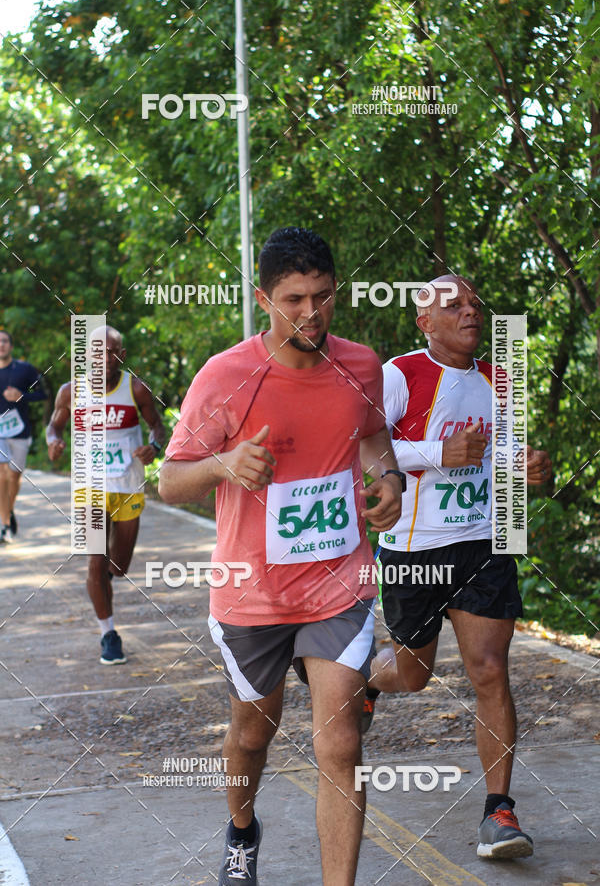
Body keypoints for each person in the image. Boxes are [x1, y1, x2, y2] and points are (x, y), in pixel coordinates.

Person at [159, 227, 404, 886]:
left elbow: (375, 440)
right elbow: (170, 480)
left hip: (338, 587)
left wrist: (390, 482)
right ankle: (242, 829)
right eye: (294, 299)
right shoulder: (226, 376)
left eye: (322, 297)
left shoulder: (360, 365)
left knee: (341, 741)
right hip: (253, 594)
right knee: (252, 733)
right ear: (263, 297)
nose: (310, 314)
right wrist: (224, 462)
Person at [363, 275, 552, 860]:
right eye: (454, 305)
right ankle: (369, 679)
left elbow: (505, 452)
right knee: (414, 675)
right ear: (426, 322)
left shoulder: (502, 378)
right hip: (413, 552)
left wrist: (529, 465)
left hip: (482, 547)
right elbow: (359, 446)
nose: (471, 310)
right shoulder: (400, 375)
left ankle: (499, 812)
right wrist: (433, 454)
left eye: (474, 301)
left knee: (490, 670)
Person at [46, 326, 165, 664]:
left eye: (110, 352)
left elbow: (158, 426)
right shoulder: (71, 391)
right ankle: (108, 633)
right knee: (95, 562)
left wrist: (154, 447)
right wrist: (53, 441)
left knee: (119, 565)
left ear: (121, 356)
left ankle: (107, 579)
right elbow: (54, 425)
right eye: (95, 352)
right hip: (90, 487)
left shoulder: (135, 388)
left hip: (127, 485)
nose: (102, 359)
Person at [0, 329, 47, 543]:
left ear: (11, 345)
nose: (1, 345)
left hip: (20, 432)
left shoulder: (25, 369)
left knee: (13, 477)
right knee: (1, 476)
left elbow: (43, 394)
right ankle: (5, 525)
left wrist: (21, 396)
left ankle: (7, 511)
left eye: (5, 341)